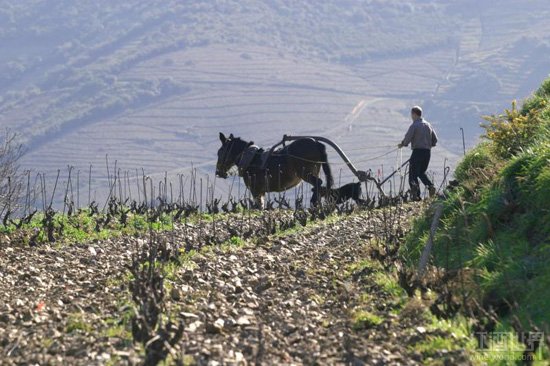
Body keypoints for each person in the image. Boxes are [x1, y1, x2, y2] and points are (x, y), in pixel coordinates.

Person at [398, 106, 438, 200]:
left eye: (411, 114)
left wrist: (403, 144)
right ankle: (430, 186)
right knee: (421, 172)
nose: (411, 116)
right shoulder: (428, 125)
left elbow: (408, 138)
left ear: (414, 114)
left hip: (417, 152)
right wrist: (428, 145)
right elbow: (435, 140)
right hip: (427, 152)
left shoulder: (414, 125)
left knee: (412, 175)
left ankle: (416, 196)